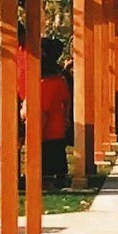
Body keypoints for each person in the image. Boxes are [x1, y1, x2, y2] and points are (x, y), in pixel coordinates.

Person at [40, 41, 72, 186]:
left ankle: (48, 177)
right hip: (58, 124)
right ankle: (59, 176)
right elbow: (67, 100)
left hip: (47, 125)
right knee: (57, 150)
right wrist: (66, 117)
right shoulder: (60, 79)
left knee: (48, 150)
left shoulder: (43, 82)